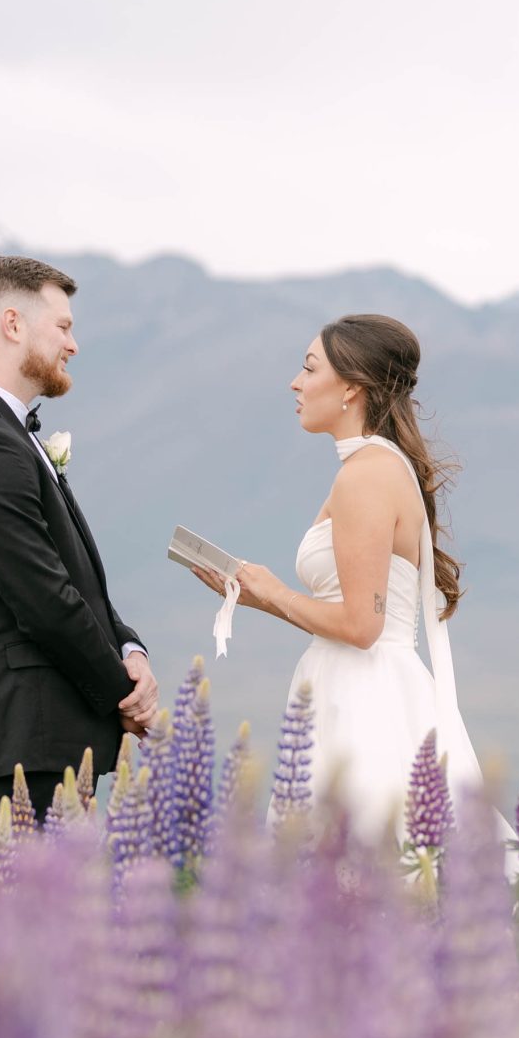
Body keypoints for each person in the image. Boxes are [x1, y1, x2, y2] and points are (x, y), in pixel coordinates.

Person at [190, 311, 491, 842]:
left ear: (351, 387)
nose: (295, 382)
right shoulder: (373, 467)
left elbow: (360, 626)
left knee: (355, 860)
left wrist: (278, 592)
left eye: (309, 369)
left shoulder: (366, 475)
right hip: (358, 681)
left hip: (363, 694)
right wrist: (256, 596)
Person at [0, 253, 158, 823]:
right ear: (13, 324)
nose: (73, 345)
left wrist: (129, 648)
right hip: (27, 739)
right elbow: (43, 599)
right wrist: (125, 696)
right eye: (64, 327)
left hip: (45, 739)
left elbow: (72, 575)